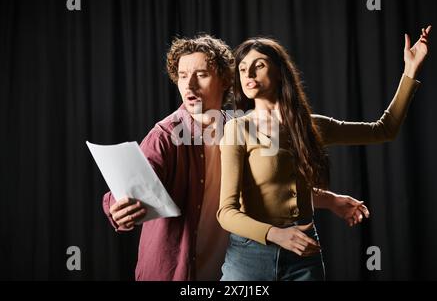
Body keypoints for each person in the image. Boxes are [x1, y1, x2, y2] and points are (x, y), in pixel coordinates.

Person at [102, 34, 369, 281]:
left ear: (226, 79)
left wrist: (331, 200)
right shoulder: (166, 136)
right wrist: (118, 206)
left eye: (201, 74)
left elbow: (267, 192)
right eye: (182, 76)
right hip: (176, 272)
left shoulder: (241, 127)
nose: (189, 84)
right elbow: (133, 183)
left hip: (231, 270)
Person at [217, 26, 431, 281]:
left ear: (279, 71)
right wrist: (277, 234)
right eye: (242, 69)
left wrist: (410, 71)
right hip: (250, 256)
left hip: (303, 255)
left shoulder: (311, 126)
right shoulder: (237, 128)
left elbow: (382, 130)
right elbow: (226, 213)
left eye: (259, 65)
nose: (248, 73)